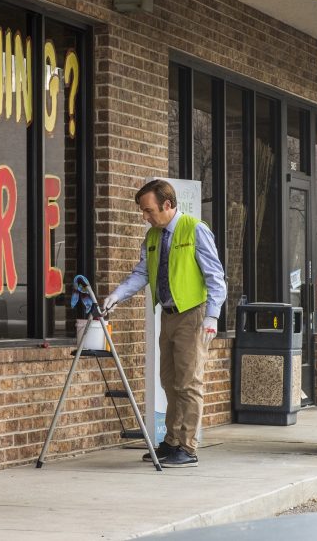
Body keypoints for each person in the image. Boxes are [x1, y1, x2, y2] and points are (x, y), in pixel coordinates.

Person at [103, 179, 226, 468]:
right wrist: (116, 296)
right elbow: (142, 272)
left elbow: (215, 276)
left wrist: (212, 315)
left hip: (193, 314)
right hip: (168, 315)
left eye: (148, 211)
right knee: (169, 383)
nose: (145, 217)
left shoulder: (195, 229)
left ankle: (187, 446)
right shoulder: (153, 237)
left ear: (167, 205)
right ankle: (171, 442)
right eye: (143, 212)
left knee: (189, 383)